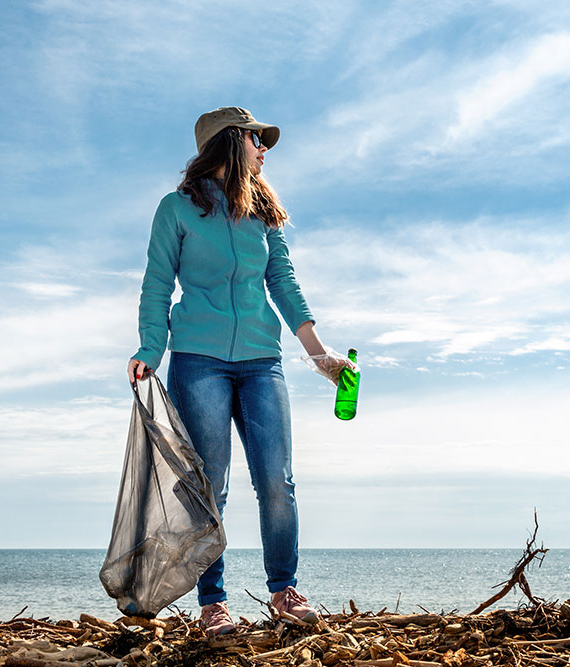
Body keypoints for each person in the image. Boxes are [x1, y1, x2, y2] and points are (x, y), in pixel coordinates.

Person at [127, 107, 352, 635]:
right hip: (198, 359)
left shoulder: (263, 212)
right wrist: (150, 348)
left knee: (278, 482)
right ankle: (213, 604)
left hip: (261, 361)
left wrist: (319, 354)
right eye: (256, 138)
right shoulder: (176, 209)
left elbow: (283, 280)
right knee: (211, 487)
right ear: (230, 142)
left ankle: (284, 591)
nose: (264, 148)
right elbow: (157, 283)